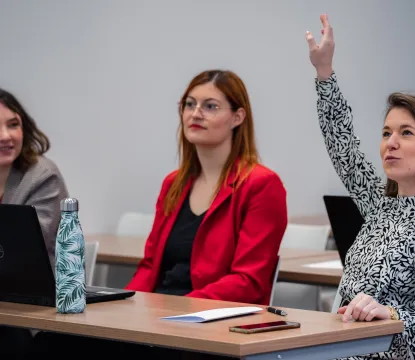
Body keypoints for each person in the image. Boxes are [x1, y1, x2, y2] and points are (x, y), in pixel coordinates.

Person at [32, 69, 287, 357]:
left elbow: (248, 282)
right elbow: (150, 266)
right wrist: (119, 308)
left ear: (238, 117)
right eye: (189, 104)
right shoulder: (174, 183)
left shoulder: (261, 184)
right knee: (51, 341)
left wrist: (175, 311)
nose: (196, 113)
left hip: (213, 325)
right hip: (163, 318)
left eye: (210, 106)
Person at [306, 14, 415, 359]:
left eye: (405, 133)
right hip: (340, 349)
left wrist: (392, 316)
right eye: (386, 133)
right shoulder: (381, 205)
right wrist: (325, 74)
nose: (390, 143)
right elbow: (344, 148)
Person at [0, 88, 68, 357]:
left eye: (13, 125)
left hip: (29, 309)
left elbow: (19, 256)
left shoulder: (42, 176)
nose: (5, 136)